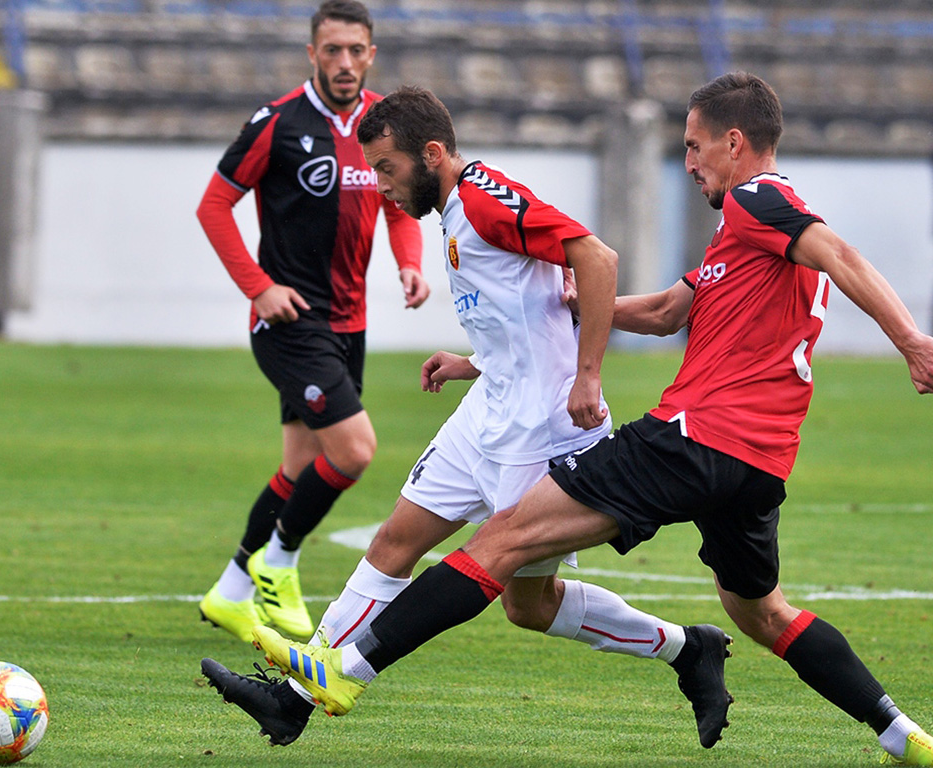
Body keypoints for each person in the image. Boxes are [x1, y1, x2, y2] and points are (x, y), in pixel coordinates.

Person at [248, 73, 933, 765]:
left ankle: (343, 671)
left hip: (691, 439)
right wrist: (566, 313)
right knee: (763, 613)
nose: (689, 162)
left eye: (695, 147)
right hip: (758, 465)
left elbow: (839, 252)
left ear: (736, 141)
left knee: (504, 539)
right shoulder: (744, 239)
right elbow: (667, 312)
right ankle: (904, 736)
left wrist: (912, 343)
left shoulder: (762, 200)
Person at [202, 85, 734, 750]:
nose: (381, 187)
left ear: (430, 154)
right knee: (394, 543)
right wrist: (474, 362)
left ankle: (688, 650)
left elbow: (595, 259)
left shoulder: (485, 198)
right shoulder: (453, 208)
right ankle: (294, 700)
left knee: (528, 606)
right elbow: (529, 312)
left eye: (388, 170)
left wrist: (589, 374)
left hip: (541, 431)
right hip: (486, 412)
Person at [195, 0, 429, 643]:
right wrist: (259, 287)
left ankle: (231, 591)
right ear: (312, 54)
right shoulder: (276, 123)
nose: (346, 62)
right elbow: (214, 207)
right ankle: (280, 559)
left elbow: (400, 205)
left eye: (357, 50)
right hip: (290, 320)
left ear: (372, 53)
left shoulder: (382, 125)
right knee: (354, 450)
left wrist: (409, 264)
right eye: (333, 50)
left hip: (348, 324)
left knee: (299, 466)